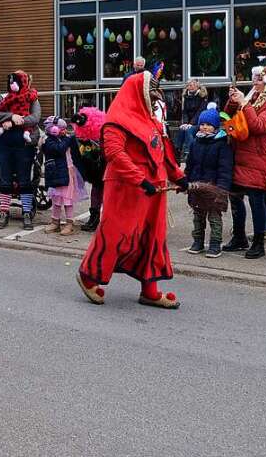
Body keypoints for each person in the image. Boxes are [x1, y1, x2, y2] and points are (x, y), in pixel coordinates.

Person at [77, 70, 188, 309]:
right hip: (126, 188)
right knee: (118, 234)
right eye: (150, 91)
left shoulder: (151, 122)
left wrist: (180, 178)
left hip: (153, 190)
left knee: (152, 237)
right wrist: (140, 180)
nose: (154, 96)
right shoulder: (116, 120)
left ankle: (150, 290)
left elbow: (163, 154)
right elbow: (115, 154)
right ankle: (88, 276)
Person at [222, 66, 266, 259]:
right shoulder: (252, 98)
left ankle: (259, 243)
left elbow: (258, 126)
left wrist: (245, 103)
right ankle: (240, 237)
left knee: (256, 201)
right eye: (256, 78)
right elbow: (228, 117)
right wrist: (233, 101)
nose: (255, 82)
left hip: (258, 158)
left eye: (260, 79)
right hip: (239, 154)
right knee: (235, 197)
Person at [0, 71, 41, 230]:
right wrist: (10, 116)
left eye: (16, 81)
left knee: (24, 179)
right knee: (5, 179)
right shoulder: (3, 97)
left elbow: (36, 117)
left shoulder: (31, 97)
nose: (12, 84)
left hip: (24, 144)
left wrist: (17, 122)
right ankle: (4, 212)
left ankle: (26, 212)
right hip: (4, 143)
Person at [184, 104, 233, 258]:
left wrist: (222, 188)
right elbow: (190, 164)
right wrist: (186, 181)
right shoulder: (195, 142)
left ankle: (215, 244)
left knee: (214, 217)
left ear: (215, 126)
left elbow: (225, 168)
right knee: (197, 216)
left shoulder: (222, 144)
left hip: (214, 187)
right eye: (202, 124)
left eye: (208, 125)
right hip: (197, 185)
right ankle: (197, 241)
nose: (204, 127)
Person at [41, 117, 86, 235]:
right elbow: (59, 150)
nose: (64, 131)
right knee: (56, 199)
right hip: (56, 173)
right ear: (53, 129)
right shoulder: (48, 141)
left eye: (65, 129)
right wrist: (69, 138)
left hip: (68, 172)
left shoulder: (65, 139)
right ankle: (55, 222)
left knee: (67, 199)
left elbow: (76, 154)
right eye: (62, 129)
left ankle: (69, 223)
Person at [72, 107, 107, 232]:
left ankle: (107, 220)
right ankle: (94, 217)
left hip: (107, 167)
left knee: (107, 194)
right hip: (96, 169)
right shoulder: (84, 138)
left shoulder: (104, 133)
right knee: (96, 192)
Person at [174, 79, 207, 163]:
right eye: (189, 85)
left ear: (197, 86)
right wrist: (185, 123)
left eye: (193, 85)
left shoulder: (202, 97)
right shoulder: (186, 97)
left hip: (199, 123)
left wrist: (191, 124)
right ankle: (177, 151)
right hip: (189, 122)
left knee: (189, 130)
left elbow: (200, 112)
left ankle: (188, 152)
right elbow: (184, 112)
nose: (190, 87)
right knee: (182, 129)